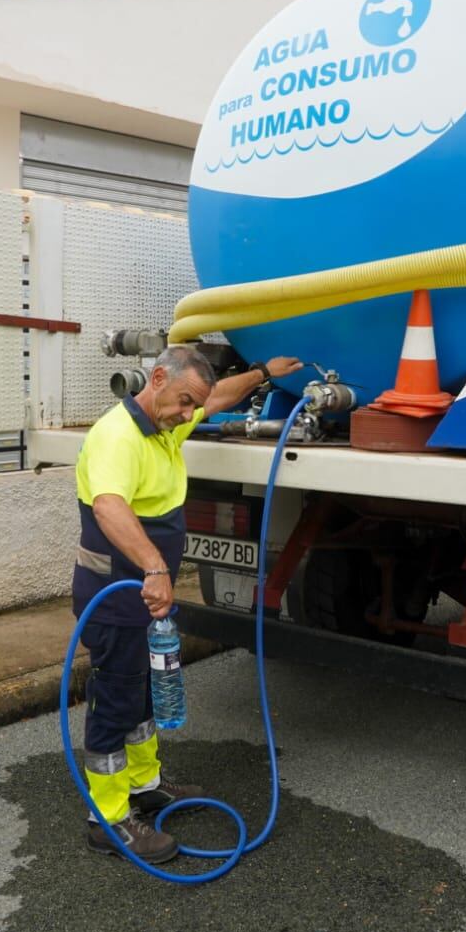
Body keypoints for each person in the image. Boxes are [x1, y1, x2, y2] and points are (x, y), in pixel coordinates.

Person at [73, 344, 303, 862]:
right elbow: (109, 505)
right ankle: (107, 819)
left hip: (147, 597)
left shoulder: (163, 421)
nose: (187, 415)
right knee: (115, 699)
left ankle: (145, 785)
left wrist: (263, 372)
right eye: (181, 402)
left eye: (188, 406)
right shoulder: (117, 435)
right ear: (155, 379)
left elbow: (216, 397)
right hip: (114, 596)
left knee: (144, 695)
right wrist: (156, 568)